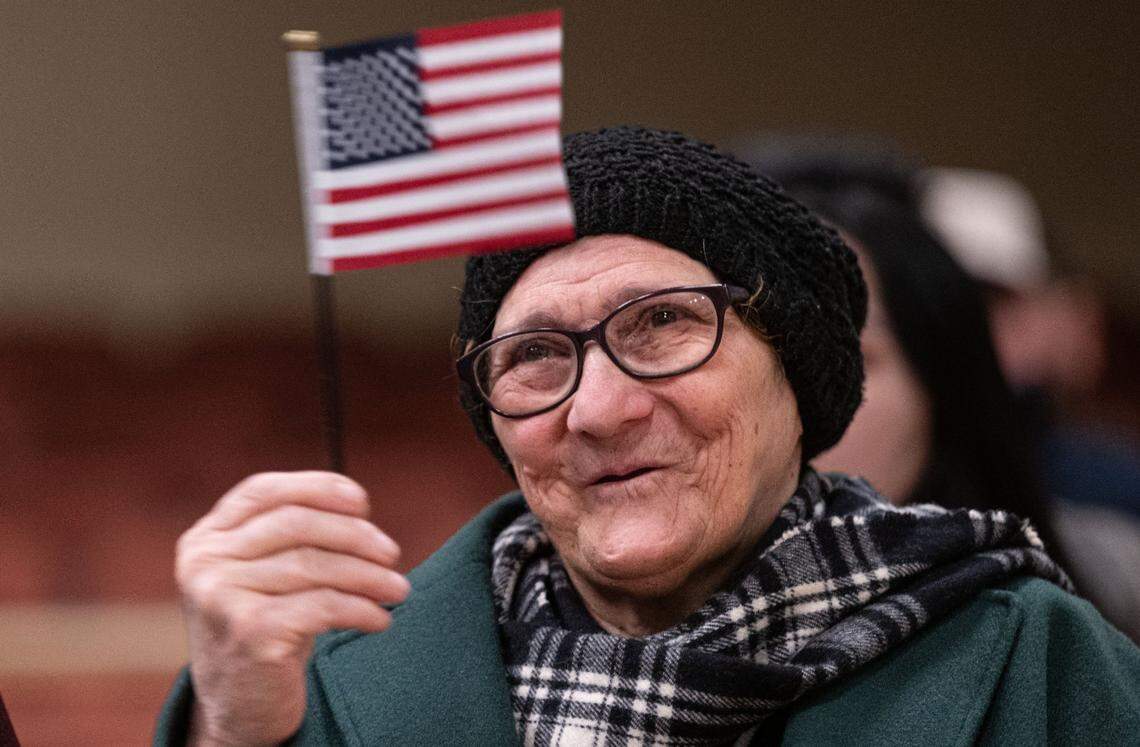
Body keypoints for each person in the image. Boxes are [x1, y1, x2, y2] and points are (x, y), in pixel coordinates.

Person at [156, 128, 1140, 746]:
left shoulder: (1034, 661)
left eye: (663, 324)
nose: (598, 408)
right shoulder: (329, 688)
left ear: (797, 376)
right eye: (536, 353)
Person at [749, 147, 1140, 643]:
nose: (793, 406)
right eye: (764, 362)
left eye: (843, 360)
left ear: (941, 385)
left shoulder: (1099, 588)